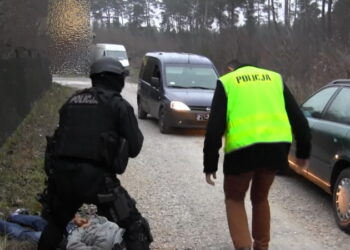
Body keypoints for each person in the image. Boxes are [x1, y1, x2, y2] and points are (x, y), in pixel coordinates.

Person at [37, 57, 153, 250]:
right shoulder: (119, 105)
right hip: (97, 180)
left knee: (56, 224)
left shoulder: (72, 101)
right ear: (117, 79)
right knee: (135, 228)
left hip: (62, 177)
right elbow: (135, 147)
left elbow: (59, 140)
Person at [203, 59, 311, 250]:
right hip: (275, 149)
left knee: (234, 198)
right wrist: (303, 153)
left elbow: (214, 129)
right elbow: (299, 120)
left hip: (242, 151)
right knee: (260, 198)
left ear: (233, 69)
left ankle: (244, 247)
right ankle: (261, 246)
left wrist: (210, 164)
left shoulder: (228, 81)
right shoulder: (274, 79)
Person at [0, 212, 125, 249]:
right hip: (77, 224)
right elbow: (101, 219)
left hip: (67, 238)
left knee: (28, 235)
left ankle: (2, 223)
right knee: (41, 221)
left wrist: (79, 229)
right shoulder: (124, 231)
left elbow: (74, 246)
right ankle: (12, 216)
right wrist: (84, 221)